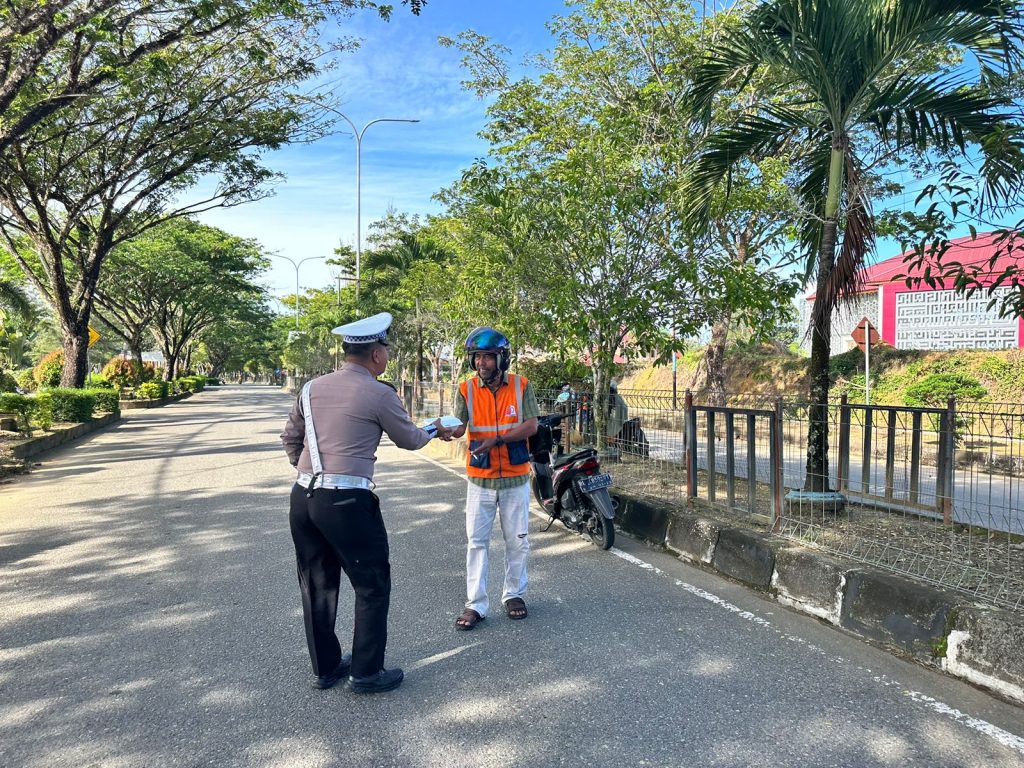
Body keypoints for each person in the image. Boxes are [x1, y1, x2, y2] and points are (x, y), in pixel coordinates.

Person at [280, 311, 453, 694]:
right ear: (376, 354)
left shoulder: (310, 388)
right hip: (346, 502)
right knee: (371, 584)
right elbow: (409, 438)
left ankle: (325, 668)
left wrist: (309, 472)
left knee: (317, 584)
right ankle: (366, 672)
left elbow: (291, 436)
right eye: (386, 349)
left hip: (303, 496)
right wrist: (436, 429)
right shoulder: (378, 392)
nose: (387, 356)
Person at [450, 327, 539, 630]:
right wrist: (444, 430)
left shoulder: (521, 386)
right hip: (480, 478)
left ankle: (513, 594)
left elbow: (531, 426)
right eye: (478, 357)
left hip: (515, 478)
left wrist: (499, 439)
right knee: (477, 543)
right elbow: (460, 428)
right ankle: (475, 603)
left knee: (518, 541)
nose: (482, 363)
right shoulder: (465, 389)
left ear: (502, 358)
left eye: (489, 356)